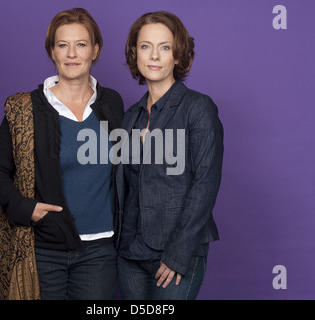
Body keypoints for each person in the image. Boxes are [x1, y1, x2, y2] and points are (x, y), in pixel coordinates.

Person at [0, 8, 124, 300]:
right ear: (52, 51)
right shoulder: (26, 108)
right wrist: (24, 207)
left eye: (81, 44)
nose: (72, 53)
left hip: (99, 251)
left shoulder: (112, 103)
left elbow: (125, 166)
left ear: (95, 51)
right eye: (63, 45)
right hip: (43, 250)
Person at [116, 11, 224, 300]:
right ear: (135, 54)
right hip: (129, 253)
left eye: (164, 47)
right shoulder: (130, 117)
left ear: (177, 55)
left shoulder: (197, 108)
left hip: (177, 252)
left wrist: (178, 254)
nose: (154, 55)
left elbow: (206, 183)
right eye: (145, 46)